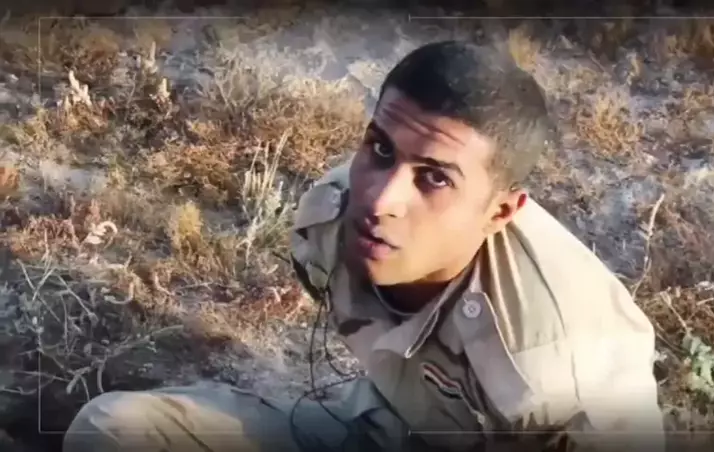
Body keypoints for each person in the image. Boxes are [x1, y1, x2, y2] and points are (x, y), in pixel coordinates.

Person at [62, 40, 665, 452]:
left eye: (434, 179)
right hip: (378, 425)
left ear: (500, 212)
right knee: (114, 431)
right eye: (380, 149)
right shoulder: (328, 218)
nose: (379, 199)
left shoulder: (564, 367)